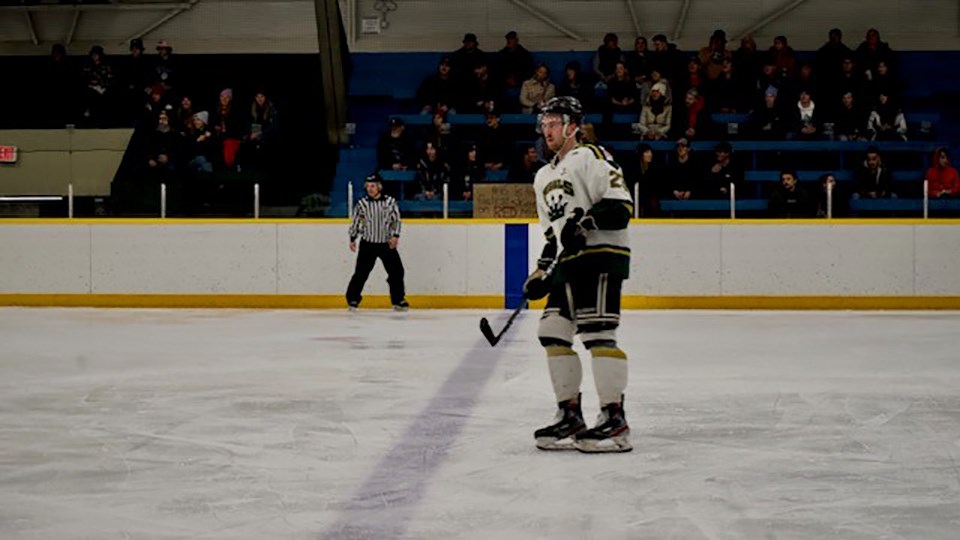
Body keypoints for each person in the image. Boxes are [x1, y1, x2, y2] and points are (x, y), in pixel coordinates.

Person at [526, 96, 634, 453]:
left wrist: (586, 222)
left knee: (598, 334)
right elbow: (552, 235)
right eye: (544, 124)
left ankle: (615, 420)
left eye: (554, 122)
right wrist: (541, 270)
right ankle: (570, 413)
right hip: (568, 264)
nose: (548, 130)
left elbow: (620, 207)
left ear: (573, 126)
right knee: (552, 331)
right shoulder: (543, 176)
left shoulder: (592, 156)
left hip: (601, 257)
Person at [346, 173, 408, 312]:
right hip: (368, 243)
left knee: (397, 271)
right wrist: (352, 238)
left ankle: (398, 299)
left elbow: (396, 220)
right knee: (361, 273)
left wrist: (395, 236)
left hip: (386, 243)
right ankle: (353, 298)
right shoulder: (362, 204)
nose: (370, 189)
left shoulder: (390, 202)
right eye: (367, 186)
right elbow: (355, 221)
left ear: (379, 187)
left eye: (373, 186)